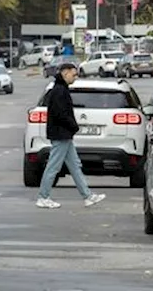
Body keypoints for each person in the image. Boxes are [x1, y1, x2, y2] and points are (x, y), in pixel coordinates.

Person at [36, 62, 105, 209]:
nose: (75, 78)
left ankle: (87, 196)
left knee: (75, 166)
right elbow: (61, 114)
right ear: (65, 73)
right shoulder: (60, 91)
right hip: (61, 134)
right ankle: (43, 196)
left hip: (64, 134)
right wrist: (74, 126)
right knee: (53, 166)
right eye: (73, 74)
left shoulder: (60, 89)